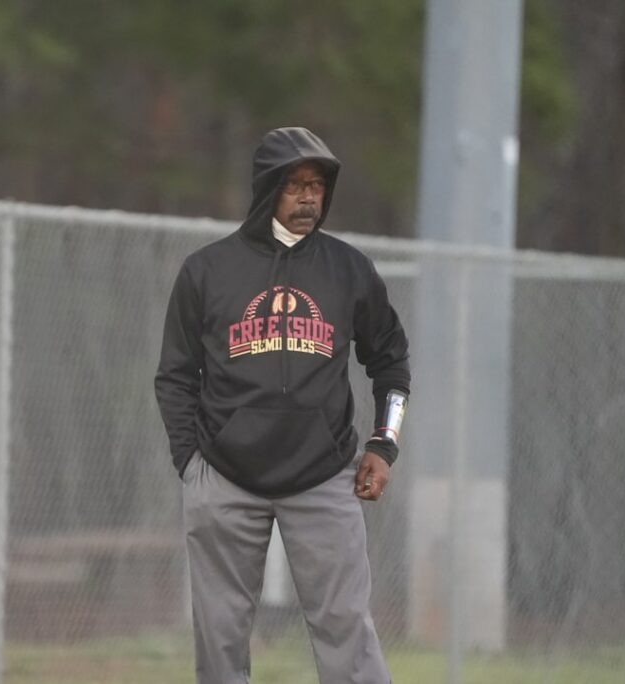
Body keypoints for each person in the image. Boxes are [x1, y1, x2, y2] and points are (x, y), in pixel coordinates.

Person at [154, 127, 410, 684]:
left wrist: (383, 444)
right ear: (267, 190)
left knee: (347, 631)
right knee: (220, 637)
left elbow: (391, 362)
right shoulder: (207, 271)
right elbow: (175, 376)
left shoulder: (349, 270)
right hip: (225, 478)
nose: (308, 198)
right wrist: (192, 465)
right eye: (294, 185)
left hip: (323, 476)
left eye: (316, 186)